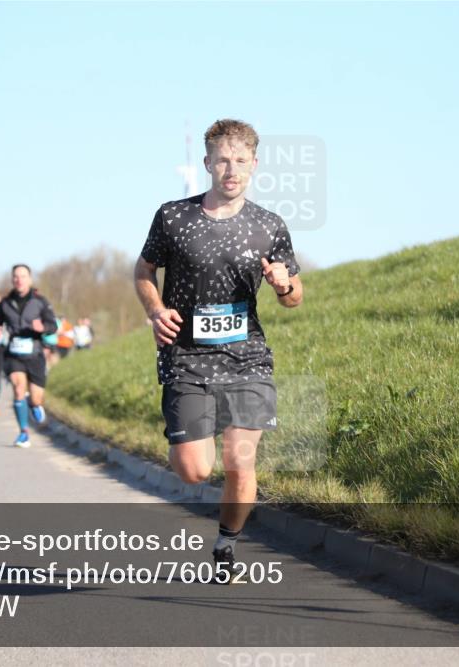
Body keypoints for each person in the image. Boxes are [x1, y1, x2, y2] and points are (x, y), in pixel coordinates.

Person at [133, 119, 303, 581]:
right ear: (207, 162)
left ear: (254, 164)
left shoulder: (269, 225)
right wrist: (154, 309)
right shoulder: (173, 217)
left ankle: (226, 544)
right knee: (193, 471)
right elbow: (143, 270)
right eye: (223, 160)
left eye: (241, 160)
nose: (232, 169)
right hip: (186, 356)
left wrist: (284, 285)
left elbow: (293, 297)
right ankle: (188, 439)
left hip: (247, 354)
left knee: (240, 461)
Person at [0, 264, 58, 448]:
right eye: (16, 276)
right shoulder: (5, 303)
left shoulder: (40, 301)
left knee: (36, 398)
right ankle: (23, 433)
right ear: (12, 280)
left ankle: (34, 405)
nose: (19, 280)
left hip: (35, 352)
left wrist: (42, 328)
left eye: (23, 276)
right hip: (13, 353)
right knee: (18, 388)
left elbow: (53, 325)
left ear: (29, 279)